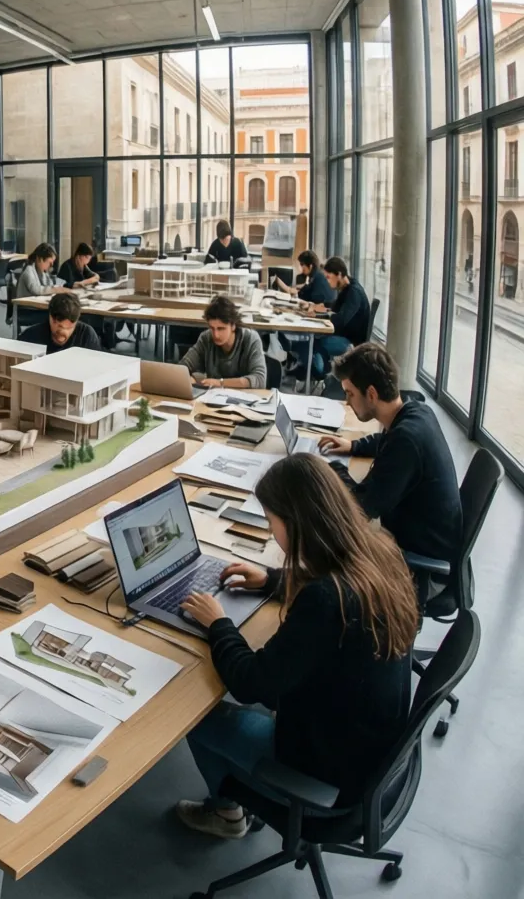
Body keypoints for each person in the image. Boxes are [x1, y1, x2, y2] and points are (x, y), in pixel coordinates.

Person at [175, 453, 417, 839]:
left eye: (273, 522)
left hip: (329, 776)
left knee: (195, 719)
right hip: (369, 751)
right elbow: (336, 572)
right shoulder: (382, 552)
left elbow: (252, 684)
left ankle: (227, 814)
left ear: (297, 522)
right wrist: (273, 579)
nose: (272, 533)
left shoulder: (325, 601)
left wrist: (218, 623)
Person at [319, 343, 462, 593]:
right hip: (423, 538)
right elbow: (386, 440)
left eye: (350, 393)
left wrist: (330, 471)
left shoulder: (405, 442)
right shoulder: (415, 412)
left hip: (417, 566)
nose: (347, 401)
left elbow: (361, 509)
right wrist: (353, 445)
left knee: (327, 560)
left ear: (371, 394)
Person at [302, 256, 371, 379]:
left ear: (339, 274)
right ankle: (318, 372)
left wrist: (319, 316)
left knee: (314, 342)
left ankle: (321, 373)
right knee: (312, 339)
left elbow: (340, 320)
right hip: (344, 336)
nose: (327, 282)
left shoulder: (354, 292)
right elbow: (335, 307)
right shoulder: (347, 287)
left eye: (328, 277)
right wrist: (320, 307)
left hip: (352, 344)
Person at [180, 294, 267, 389]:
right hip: (213, 399)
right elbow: (183, 367)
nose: (216, 335)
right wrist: (189, 378)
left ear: (233, 325)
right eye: (212, 328)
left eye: (221, 329)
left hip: (244, 400)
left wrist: (220, 383)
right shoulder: (206, 338)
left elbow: (260, 379)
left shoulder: (250, 339)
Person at [275, 250, 335, 368]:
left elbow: (310, 296)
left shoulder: (318, 278)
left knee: (284, 330)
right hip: (321, 316)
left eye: (302, 265)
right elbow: (305, 291)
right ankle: (296, 360)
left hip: (321, 321)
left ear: (310, 265)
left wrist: (289, 289)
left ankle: (306, 365)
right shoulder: (317, 276)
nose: (301, 269)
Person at [18, 292, 103, 353]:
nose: (64, 333)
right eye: (60, 326)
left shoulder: (86, 336)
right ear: (50, 317)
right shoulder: (31, 337)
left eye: (70, 328)